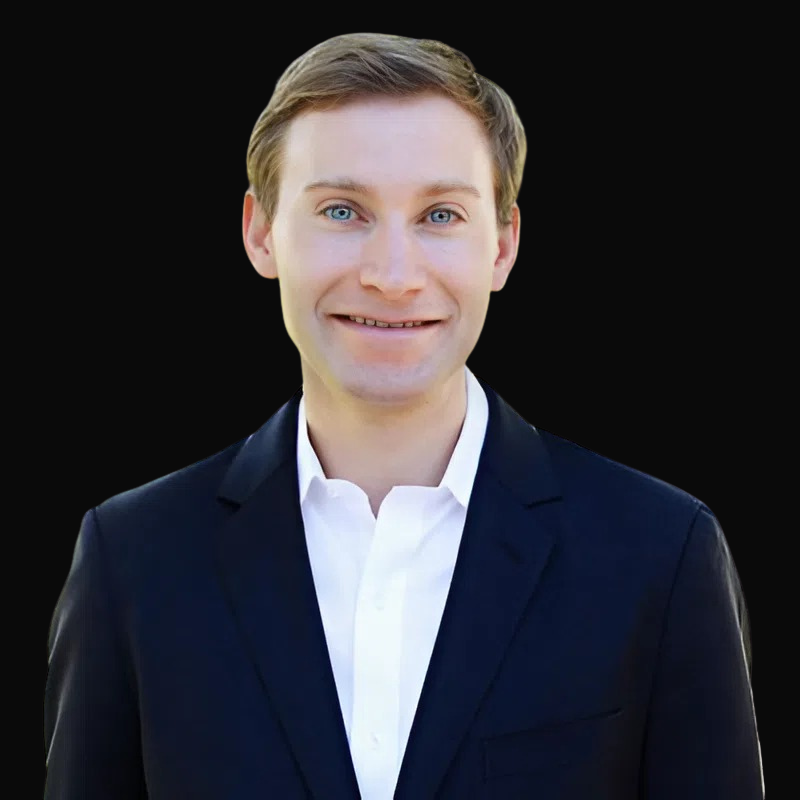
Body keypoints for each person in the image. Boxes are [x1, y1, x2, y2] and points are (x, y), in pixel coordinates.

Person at [44, 32, 763, 799]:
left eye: (441, 215)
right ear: (261, 232)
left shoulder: (662, 551)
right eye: (343, 210)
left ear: (503, 244)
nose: (391, 275)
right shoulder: (133, 559)